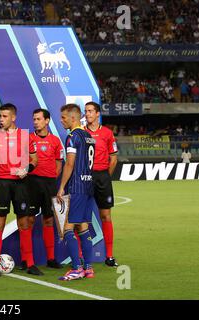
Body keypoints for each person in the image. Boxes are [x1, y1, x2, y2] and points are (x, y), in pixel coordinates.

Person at [0, 103, 41, 277]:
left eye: (5, 116)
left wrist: (26, 169)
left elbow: (35, 159)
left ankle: (30, 263)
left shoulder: (26, 136)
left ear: (13, 117)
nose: (1, 119)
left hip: (21, 184)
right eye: (0, 116)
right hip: (2, 184)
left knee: (24, 223)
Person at [57, 103, 96, 281]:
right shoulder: (89, 136)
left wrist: (61, 187)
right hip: (89, 187)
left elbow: (70, 164)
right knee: (83, 226)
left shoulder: (72, 137)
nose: (61, 120)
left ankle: (76, 268)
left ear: (73, 118)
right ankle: (88, 268)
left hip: (77, 187)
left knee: (68, 228)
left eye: (64, 117)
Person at [26, 108, 63, 269]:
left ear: (47, 121)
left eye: (38, 119)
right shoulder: (27, 139)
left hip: (49, 184)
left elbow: (59, 163)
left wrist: (51, 178)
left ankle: (51, 259)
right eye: (34, 119)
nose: (35, 122)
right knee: (29, 220)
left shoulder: (55, 141)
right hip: (31, 183)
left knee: (48, 219)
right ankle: (27, 260)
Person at [84, 101, 119, 267]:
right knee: (81, 217)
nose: (88, 114)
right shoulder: (81, 133)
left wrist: (105, 176)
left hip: (102, 177)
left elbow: (113, 158)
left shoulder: (107, 133)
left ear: (97, 113)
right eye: (86, 111)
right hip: (85, 177)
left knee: (105, 215)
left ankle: (109, 256)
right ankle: (82, 256)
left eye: (90, 111)